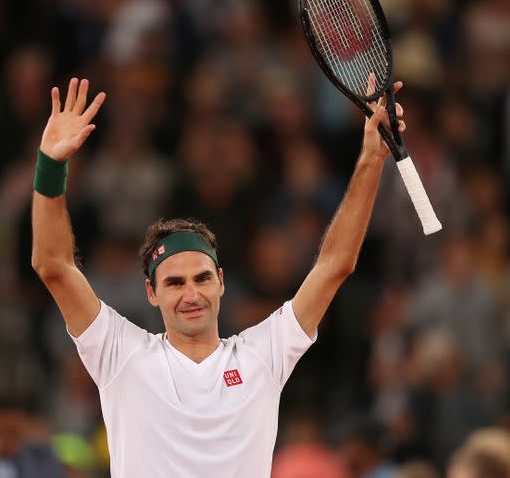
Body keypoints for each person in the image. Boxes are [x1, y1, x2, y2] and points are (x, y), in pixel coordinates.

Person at [31, 76, 406, 476]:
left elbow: (335, 265)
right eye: (174, 283)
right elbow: (53, 266)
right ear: (151, 293)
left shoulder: (262, 355)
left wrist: (370, 159)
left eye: (201, 278)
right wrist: (51, 165)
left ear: (221, 282)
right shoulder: (121, 356)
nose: (191, 293)